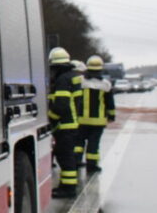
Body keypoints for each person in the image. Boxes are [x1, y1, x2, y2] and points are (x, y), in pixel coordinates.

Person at [47, 47, 81, 198]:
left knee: (65, 157)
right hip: (72, 123)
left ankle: (68, 189)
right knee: (67, 157)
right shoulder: (73, 76)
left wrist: (50, 117)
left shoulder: (62, 80)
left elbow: (61, 105)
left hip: (65, 125)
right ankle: (66, 186)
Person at [76, 55, 116, 173]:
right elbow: (109, 103)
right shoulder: (106, 84)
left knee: (78, 143)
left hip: (81, 120)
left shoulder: (80, 81)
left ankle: (76, 162)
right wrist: (111, 116)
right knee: (94, 144)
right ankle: (92, 166)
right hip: (98, 122)